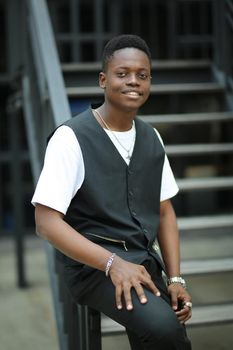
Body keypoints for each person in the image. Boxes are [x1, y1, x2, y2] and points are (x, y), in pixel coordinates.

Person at [32, 34, 192, 349]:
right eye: (123, 74)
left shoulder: (152, 138)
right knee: (165, 329)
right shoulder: (70, 138)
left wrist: (175, 279)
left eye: (142, 75)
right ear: (103, 80)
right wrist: (112, 264)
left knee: (168, 327)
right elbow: (46, 222)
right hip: (94, 268)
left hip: (144, 262)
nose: (133, 81)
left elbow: (164, 211)